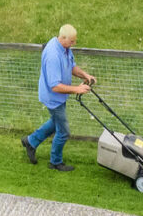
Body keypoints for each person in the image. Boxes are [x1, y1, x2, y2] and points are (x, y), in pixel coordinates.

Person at [22, 23, 96, 171]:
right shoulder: (53, 55)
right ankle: (55, 162)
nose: (74, 44)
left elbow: (72, 66)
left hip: (59, 97)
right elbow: (55, 86)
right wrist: (77, 89)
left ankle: (30, 141)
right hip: (53, 98)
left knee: (55, 123)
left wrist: (85, 75)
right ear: (62, 38)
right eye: (72, 41)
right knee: (63, 131)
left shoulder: (65, 48)